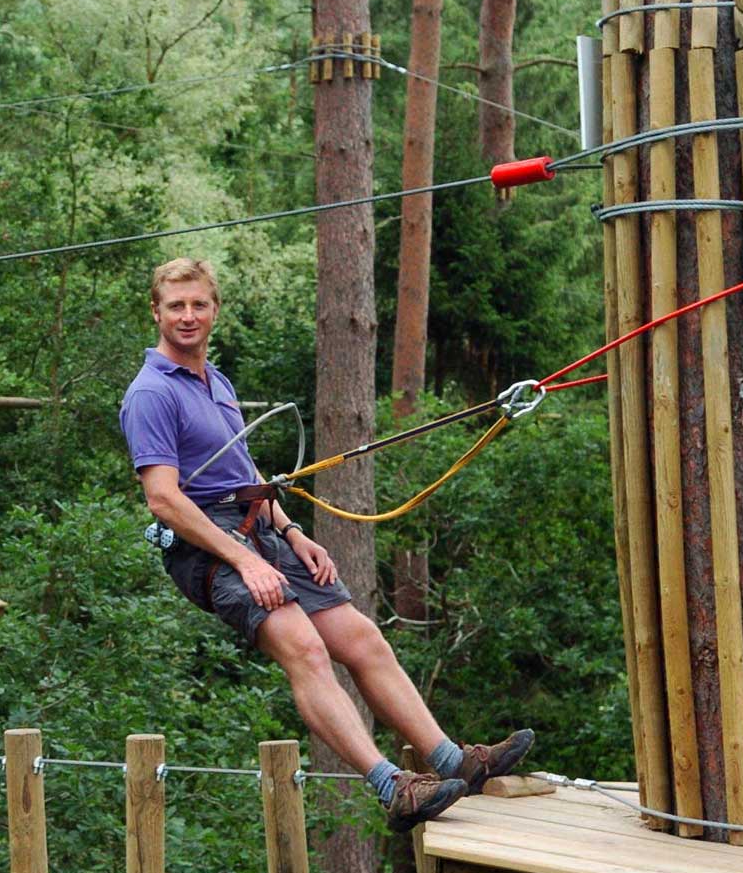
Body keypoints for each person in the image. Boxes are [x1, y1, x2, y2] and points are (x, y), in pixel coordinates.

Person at [118, 258, 533, 831]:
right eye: (175, 306)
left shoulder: (216, 381)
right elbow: (163, 499)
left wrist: (291, 531)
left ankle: (451, 758)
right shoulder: (150, 393)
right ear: (156, 312)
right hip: (210, 547)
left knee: (359, 636)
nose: (187, 316)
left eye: (198, 305)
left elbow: (245, 471)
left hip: (258, 525)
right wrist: (244, 559)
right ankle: (393, 787)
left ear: (214, 310)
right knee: (306, 649)